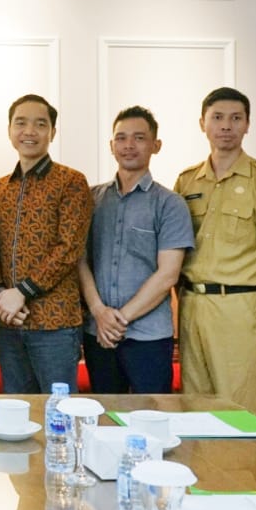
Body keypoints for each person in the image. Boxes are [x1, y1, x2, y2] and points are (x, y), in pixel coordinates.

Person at [173, 87, 256, 417]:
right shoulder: (187, 182)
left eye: (236, 118)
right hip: (192, 305)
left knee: (240, 411)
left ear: (247, 125)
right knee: (194, 409)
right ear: (202, 123)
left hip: (238, 308)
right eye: (217, 117)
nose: (226, 126)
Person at [78, 106, 194, 393]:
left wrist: (119, 320)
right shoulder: (91, 199)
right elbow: (80, 261)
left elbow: (168, 274)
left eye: (139, 138)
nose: (129, 145)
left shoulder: (169, 204)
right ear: (111, 146)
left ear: (156, 145)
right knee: (105, 414)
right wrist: (99, 312)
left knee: (152, 415)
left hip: (148, 336)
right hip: (98, 332)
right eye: (121, 138)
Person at [0, 94, 93, 393]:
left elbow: (69, 248)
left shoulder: (71, 181)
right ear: (9, 130)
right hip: (10, 321)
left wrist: (22, 292)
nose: (29, 131)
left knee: (60, 410)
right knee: (16, 410)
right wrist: (1, 295)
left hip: (55, 323)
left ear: (52, 132)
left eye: (40, 124)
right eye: (21, 123)